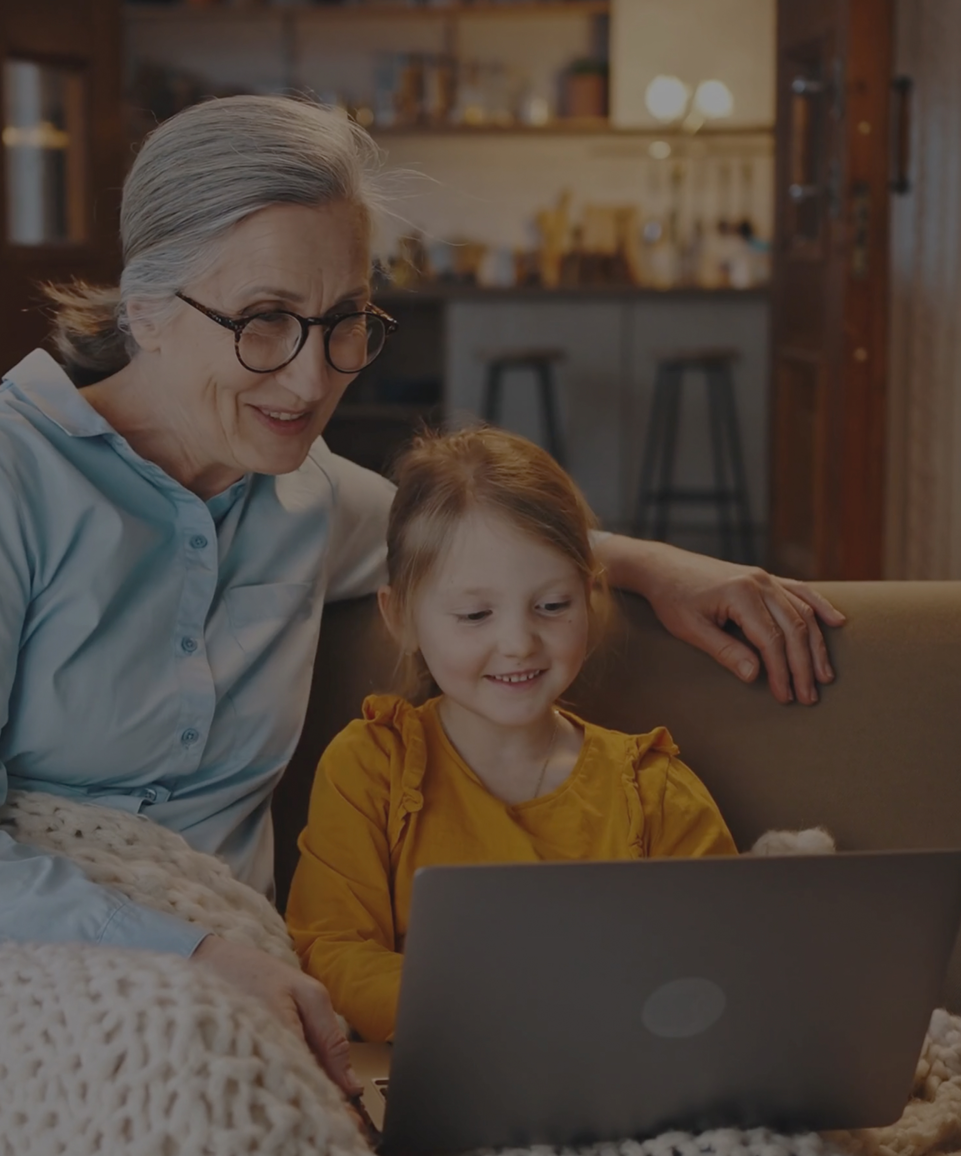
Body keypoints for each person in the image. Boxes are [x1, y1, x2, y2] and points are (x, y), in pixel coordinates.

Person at [0, 95, 842, 1098]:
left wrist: (657, 567)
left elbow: (466, 549)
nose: (311, 378)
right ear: (146, 308)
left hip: (212, 988)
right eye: (265, 320)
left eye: (344, 321)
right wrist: (194, 956)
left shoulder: (306, 491)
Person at [285, 427, 738, 1043]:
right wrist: (499, 1013)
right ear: (401, 618)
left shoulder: (654, 790)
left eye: (551, 606)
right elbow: (331, 954)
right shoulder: (371, 766)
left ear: (590, 596)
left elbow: (722, 966)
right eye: (475, 615)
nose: (519, 643)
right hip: (446, 1066)